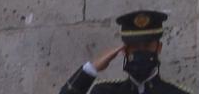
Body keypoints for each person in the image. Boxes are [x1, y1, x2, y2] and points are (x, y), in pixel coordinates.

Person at [57, 8, 191, 93]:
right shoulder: (104, 92)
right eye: (135, 47)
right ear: (124, 50)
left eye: (147, 45)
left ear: (158, 48)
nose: (141, 51)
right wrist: (91, 68)